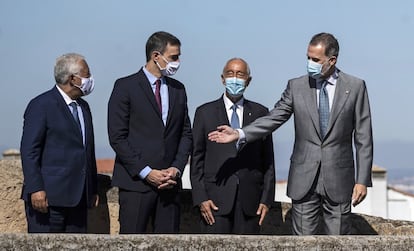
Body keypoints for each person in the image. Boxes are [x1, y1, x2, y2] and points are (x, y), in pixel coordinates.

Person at [208, 32, 373, 235]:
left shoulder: (355, 87)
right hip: (303, 179)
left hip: (340, 178)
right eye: (308, 57)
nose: (309, 63)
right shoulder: (296, 86)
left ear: (332, 60)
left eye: (315, 60)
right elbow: (275, 117)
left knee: (338, 243)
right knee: (302, 244)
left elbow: (363, 136)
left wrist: (362, 179)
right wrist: (240, 134)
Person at [108, 31, 192, 234]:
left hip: (169, 186)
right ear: (156, 56)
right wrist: (147, 172)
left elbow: (186, 133)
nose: (178, 62)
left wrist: (176, 168)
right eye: (173, 57)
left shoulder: (178, 89)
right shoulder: (125, 87)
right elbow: (117, 137)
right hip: (136, 185)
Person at [190, 58, 275, 234]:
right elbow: (197, 159)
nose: (234, 78)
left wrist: (266, 200)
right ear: (222, 79)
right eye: (230, 74)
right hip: (215, 202)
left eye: (240, 74)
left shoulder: (260, 113)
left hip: (250, 204)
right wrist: (201, 197)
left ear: (248, 80)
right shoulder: (204, 113)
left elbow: (268, 161)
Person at [20, 53, 98, 233]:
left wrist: (92, 189)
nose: (90, 79)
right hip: (48, 201)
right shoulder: (41, 105)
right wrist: (36, 188)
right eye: (87, 74)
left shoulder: (83, 107)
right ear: (73, 78)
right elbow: (29, 150)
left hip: (79, 200)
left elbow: (87, 150)